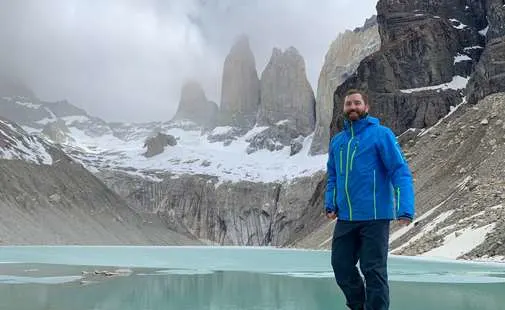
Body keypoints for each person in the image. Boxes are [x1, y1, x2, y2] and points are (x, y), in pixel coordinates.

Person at [325, 89, 415, 310]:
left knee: (373, 270)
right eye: (348, 104)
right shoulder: (338, 141)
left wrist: (405, 208)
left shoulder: (381, 134)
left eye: (357, 103)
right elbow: (333, 176)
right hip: (346, 217)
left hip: (375, 216)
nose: (352, 107)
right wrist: (330, 203)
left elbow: (399, 171)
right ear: (344, 108)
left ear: (366, 107)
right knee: (341, 266)